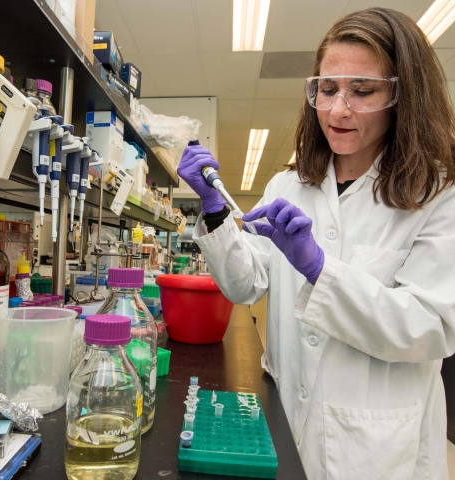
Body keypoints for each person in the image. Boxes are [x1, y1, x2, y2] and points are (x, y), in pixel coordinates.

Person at [177, 7, 455, 480]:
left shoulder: (438, 192)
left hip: (378, 449)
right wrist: (215, 209)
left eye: (362, 91)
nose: (338, 109)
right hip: (286, 421)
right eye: (326, 89)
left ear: (403, 96)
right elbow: (246, 286)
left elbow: (431, 327)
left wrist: (318, 269)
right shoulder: (290, 185)